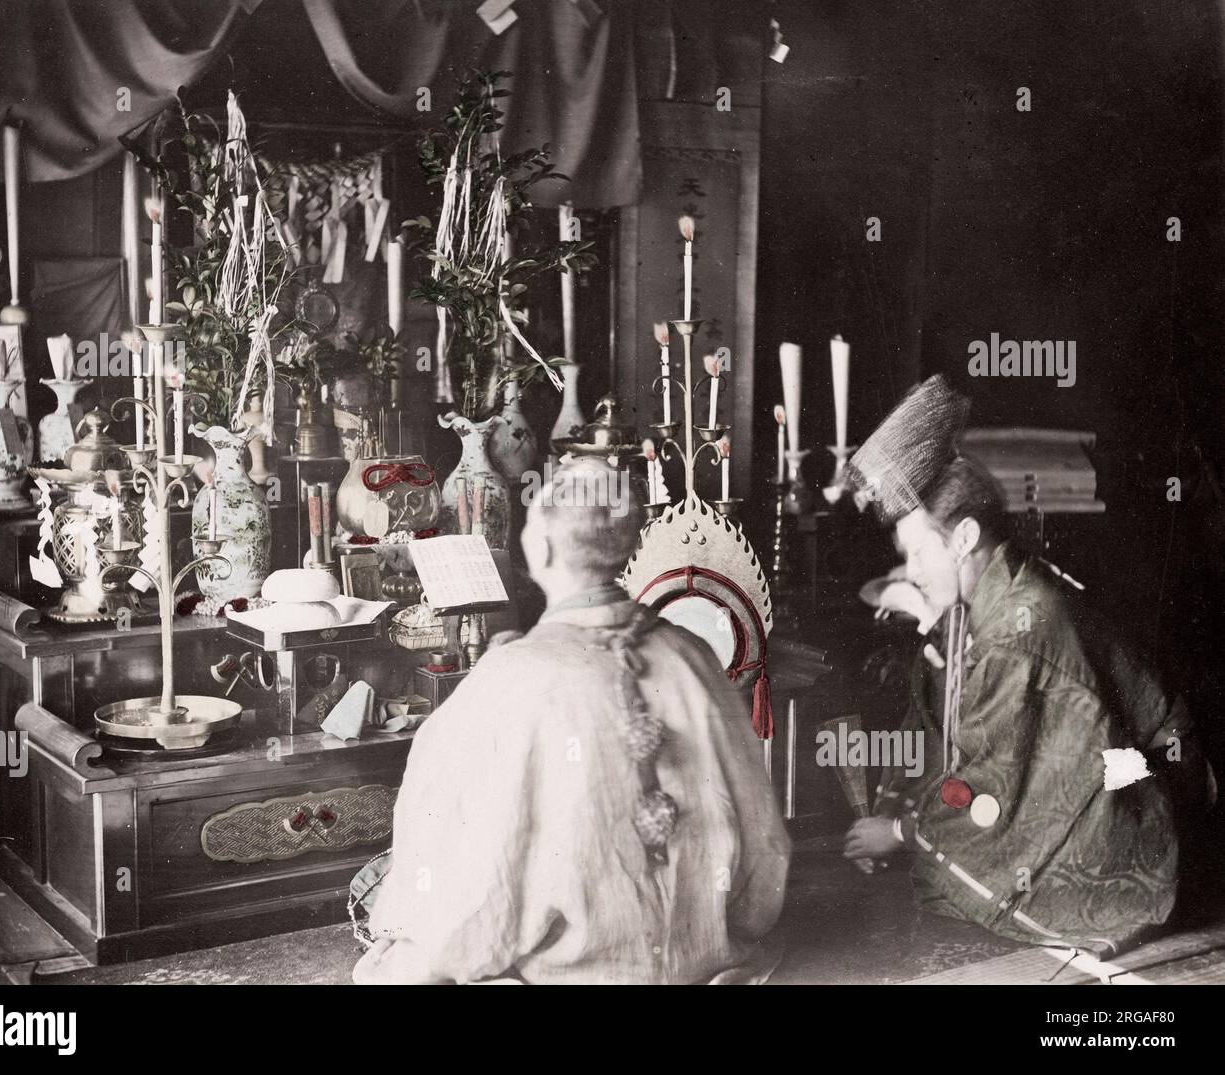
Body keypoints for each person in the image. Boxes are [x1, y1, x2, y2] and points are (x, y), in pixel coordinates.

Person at [351, 460, 790, 984]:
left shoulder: (508, 677)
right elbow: (764, 854)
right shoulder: (693, 654)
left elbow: (462, 909)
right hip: (706, 965)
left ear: (543, 550)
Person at [842, 376, 1212, 958]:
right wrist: (898, 806)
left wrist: (898, 832)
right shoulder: (987, 598)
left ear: (963, 538)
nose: (908, 572)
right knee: (943, 876)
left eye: (917, 553)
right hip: (1126, 772)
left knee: (950, 880)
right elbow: (956, 737)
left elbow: (998, 782)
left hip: (1144, 804)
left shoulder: (1021, 627)